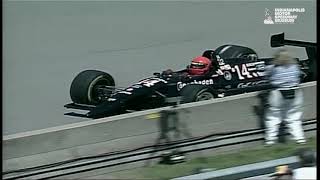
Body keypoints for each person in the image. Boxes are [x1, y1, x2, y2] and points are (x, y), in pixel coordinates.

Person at [264, 48, 306, 145]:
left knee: (273, 117)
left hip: (278, 93)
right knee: (294, 117)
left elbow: (266, 77)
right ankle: (300, 139)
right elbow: (300, 76)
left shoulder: (272, 68)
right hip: (295, 92)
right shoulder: (295, 67)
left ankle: (270, 140)